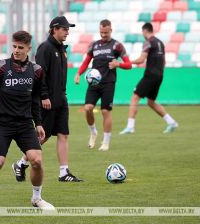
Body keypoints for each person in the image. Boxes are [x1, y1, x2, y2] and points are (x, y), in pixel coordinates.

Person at [0, 31, 54, 211]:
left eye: (20, 47)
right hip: (2, 123)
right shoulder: (1, 66)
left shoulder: (36, 71)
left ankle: (37, 198)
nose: (16, 50)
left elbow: (35, 99)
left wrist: (38, 123)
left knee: (36, 160)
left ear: (29, 48)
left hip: (24, 124)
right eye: (14, 46)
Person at [12, 16, 82, 182]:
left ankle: (64, 172)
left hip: (61, 99)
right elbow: (39, 74)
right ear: (54, 29)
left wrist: (61, 95)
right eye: (64, 29)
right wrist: (44, 95)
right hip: (48, 99)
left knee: (63, 134)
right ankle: (21, 163)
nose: (67, 32)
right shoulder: (45, 48)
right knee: (44, 135)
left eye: (68, 29)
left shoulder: (62, 49)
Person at [74, 19, 132, 151]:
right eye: (101, 32)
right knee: (88, 108)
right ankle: (93, 132)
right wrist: (79, 73)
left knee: (105, 111)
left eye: (106, 32)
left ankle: (105, 143)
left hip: (108, 83)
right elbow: (86, 62)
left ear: (111, 30)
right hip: (94, 83)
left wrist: (119, 64)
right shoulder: (94, 45)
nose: (104, 35)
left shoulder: (117, 46)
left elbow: (129, 65)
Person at [120, 23, 178, 135]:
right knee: (151, 102)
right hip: (160, 75)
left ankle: (130, 126)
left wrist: (128, 62)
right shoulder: (160, 43)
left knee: (135, 97)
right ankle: (172, 122)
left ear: (145, 31)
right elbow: (163, 61)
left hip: (150, 75)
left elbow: (141, 59)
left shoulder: (148, 42)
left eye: (142, 32)